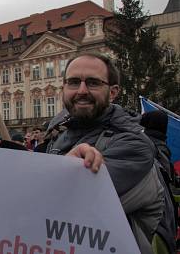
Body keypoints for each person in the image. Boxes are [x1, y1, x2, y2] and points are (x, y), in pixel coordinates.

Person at [45, 52, 175, 254]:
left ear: (113, 92)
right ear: (63, 88)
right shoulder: (57, 136)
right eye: (73, 82)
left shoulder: (134, 144)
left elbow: (61, 208)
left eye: (93, 83)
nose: (81, 90)